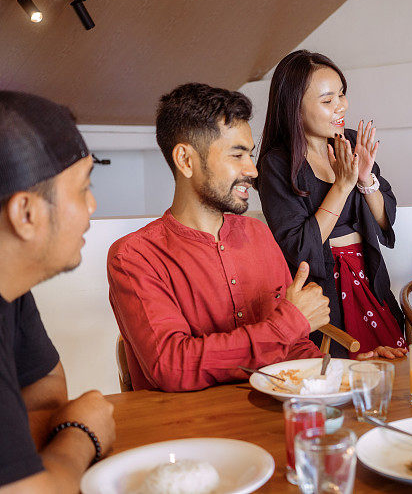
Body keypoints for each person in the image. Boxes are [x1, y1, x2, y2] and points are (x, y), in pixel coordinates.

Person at [107, 83, 330, 392]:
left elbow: (293, 345)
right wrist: (288, 324)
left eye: (250, 155)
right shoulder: (134, 257)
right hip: (188, 432)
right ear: (185, 160)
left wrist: (337, 376)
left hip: (267, 418)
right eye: (237, 155)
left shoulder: (259, 234)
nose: (252, 169)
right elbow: (171, 365)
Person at [257, 50, 408, 360]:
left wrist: (366, 180)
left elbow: (384, 220)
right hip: (322, 290)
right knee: (338, 376)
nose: (341, 106)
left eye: (342, 94)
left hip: (368, 276)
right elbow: (299, 247)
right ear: (294, 109)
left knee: (389, 370)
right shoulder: (277, 164)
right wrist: (341, 186)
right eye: (327, 101)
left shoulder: (350, 142)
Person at [0, 91, 115, 492]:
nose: (93, 205)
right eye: (83, 189)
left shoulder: (10, 287)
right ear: (26, 214)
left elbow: (45, 388)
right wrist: (80, 432)